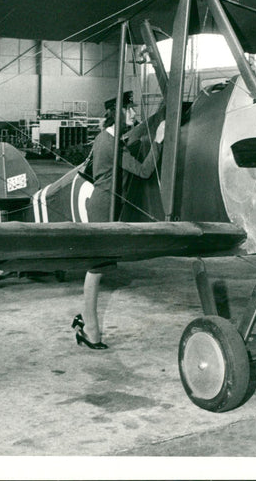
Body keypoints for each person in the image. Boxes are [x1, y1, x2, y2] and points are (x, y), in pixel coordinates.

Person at [73, 96, 164, 350]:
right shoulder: (113, 144)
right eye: (130, 109)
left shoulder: (106, 138)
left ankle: (86, 323)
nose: (134, 113)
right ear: (119, 112)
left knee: (99, 269)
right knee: (96, 268)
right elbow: (145, 171)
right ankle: (88, 328)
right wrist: (158, 141)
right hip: (103, 208)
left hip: (106, 204)